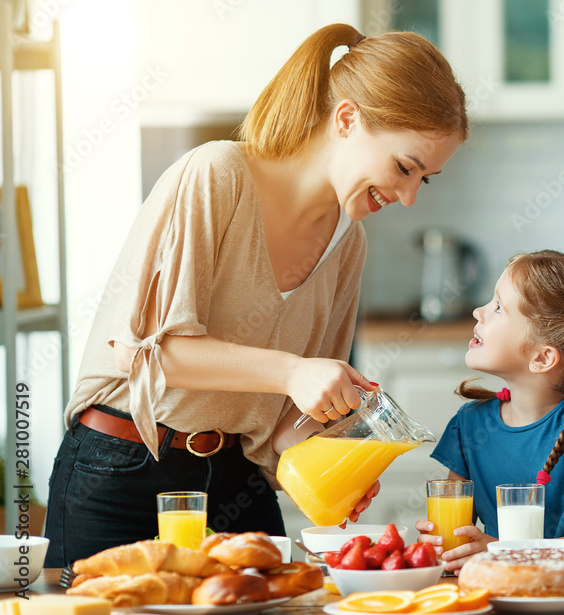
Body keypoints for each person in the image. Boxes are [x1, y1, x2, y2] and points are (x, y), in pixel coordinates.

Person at [44, 23, 468, 567]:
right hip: (121, 470)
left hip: (234, 481)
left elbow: (287, 416)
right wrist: (294, 369)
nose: (408, 197)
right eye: (404, 167)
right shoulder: (217, 173)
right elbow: (149, 354)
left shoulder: (348, 242)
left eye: (424, 180)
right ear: (346, 119)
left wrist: (324, 465)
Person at [417, 250, 564, 572]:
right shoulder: (469, 424)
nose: (478, 312)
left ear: (542, 358)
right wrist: (443, 547)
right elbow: (460, 537)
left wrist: (510, 552)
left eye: (499, 307)